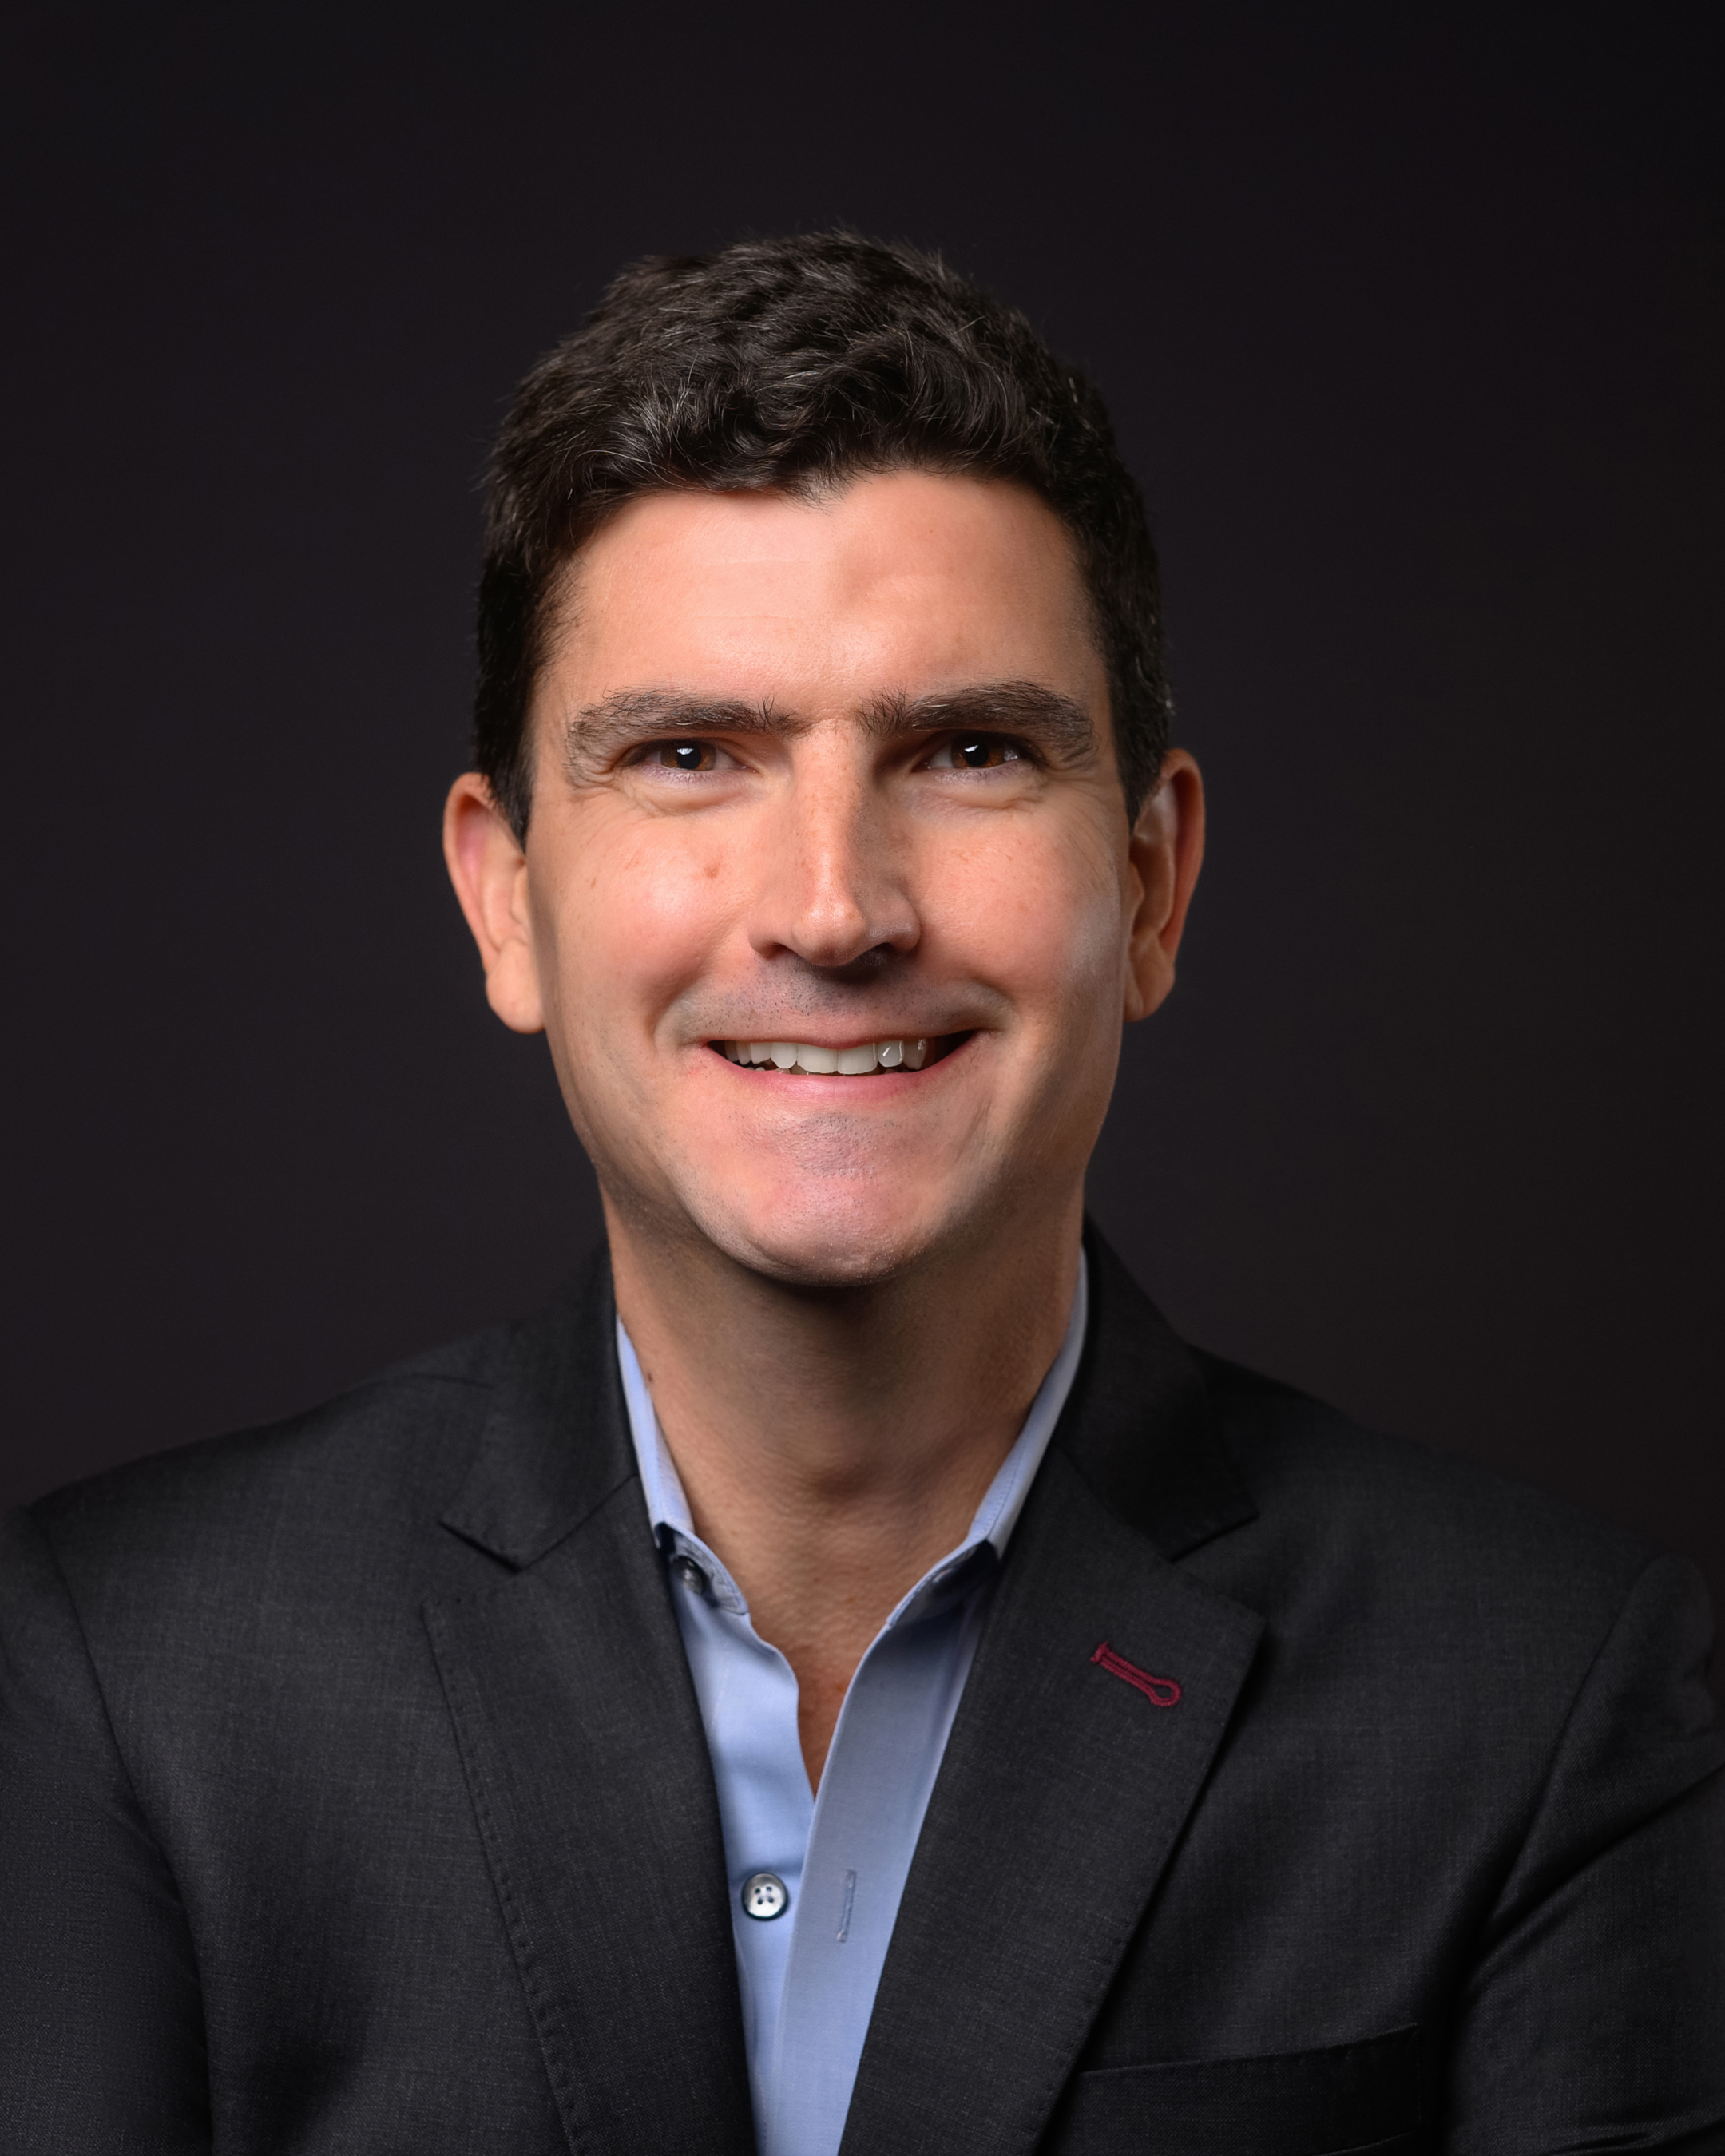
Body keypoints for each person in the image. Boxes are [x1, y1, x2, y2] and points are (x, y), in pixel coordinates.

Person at [2, 232, 1720, 2156]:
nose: (832, 909)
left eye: (968, 751)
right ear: (506, 902)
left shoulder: (1545, 1699)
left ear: (1152, 882)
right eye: (689, 756)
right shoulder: (119, 1674)